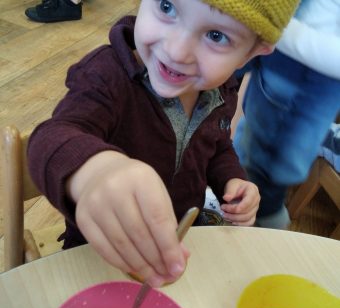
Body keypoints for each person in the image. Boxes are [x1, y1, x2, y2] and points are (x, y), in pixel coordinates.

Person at [27, 0, 299, 287]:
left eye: (216, 36)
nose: (176, 51)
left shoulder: (221, 89)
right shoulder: (105, 76)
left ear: (252, 52)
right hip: (99, 251)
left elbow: (217, 145)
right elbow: (51, 135)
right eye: (167, 7)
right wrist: (95, 172)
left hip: (180, 240)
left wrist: (232, 179)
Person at [233, 0, 340, 229]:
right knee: (246, 144)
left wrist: (273, 27)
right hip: (276, 65)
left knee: (265, 178)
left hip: (302, 91)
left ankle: (267, 231)